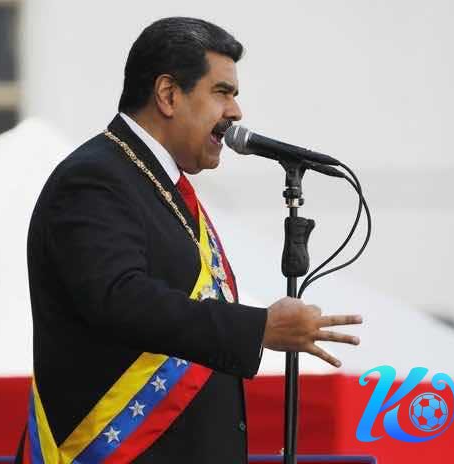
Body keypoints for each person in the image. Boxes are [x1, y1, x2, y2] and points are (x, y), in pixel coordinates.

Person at [19, 17, 363, 464]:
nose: (236, 112)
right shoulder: (94, 178)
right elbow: (118, 298)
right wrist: (257, 328)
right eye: (222, 92)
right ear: (168, 94)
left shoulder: (158, 183)